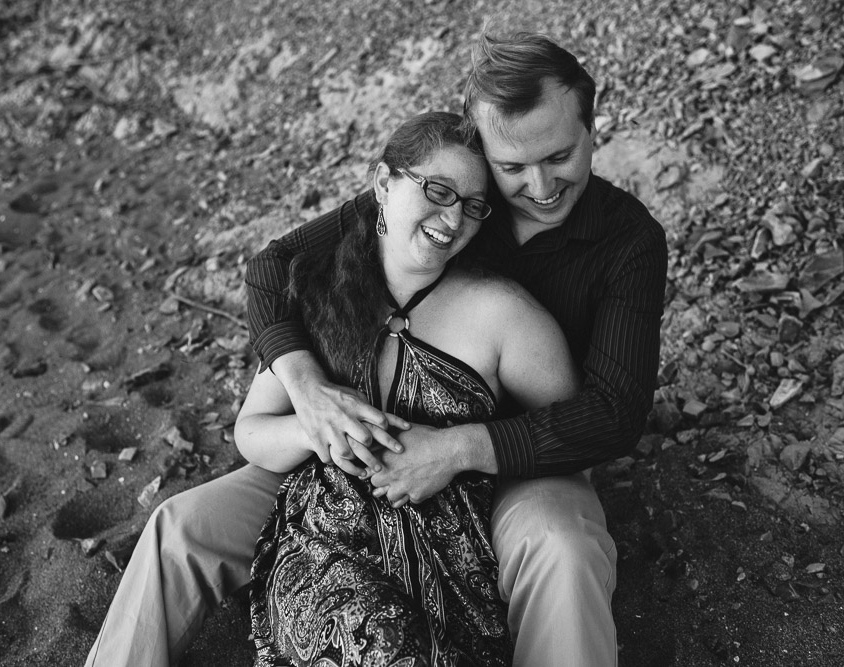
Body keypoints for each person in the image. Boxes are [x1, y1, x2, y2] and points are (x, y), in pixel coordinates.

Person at [86, 31, 666, 667]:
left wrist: (459, 448)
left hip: (524, 452)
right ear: (482, 144)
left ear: (591, 126)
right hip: (357, 452)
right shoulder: (452, 194)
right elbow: (275, 265)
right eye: (512, 167)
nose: (539, 185)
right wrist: (309, 390)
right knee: (180, 525)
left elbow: (613, 413)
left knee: (564, 547)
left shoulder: (627, 241)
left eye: (560, 156)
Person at [235, 110, 578, 665]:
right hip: (325, 545)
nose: (453, 217)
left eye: (471, 205)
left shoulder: (505, 314)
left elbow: (573, 435)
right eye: (438, 190)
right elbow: (250, 433)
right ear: (382, 184)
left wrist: (460, 450)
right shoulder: (319, 296)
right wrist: (315, 423)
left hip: (454, 570)